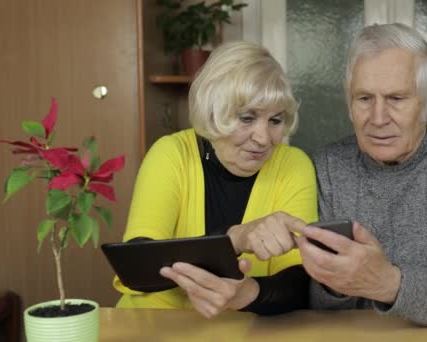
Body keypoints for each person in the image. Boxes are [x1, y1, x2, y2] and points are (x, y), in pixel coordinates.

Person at [294, 23, 427, 326]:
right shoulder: (329, 163)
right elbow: (320, 303)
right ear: (348, 99)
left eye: (396, 99)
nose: (378, 119)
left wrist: (387, 282)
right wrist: (333, 279)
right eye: (364, 99)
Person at [113, 41, 317, 318]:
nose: (263, 138)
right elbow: (137, 268)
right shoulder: (171, 153)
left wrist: (246, 294)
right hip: (154, 326)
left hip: (246, 333)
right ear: (212, 112)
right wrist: (233, 240)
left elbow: (303, 285)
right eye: (247, 118)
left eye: (275, 120)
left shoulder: (293, 165)